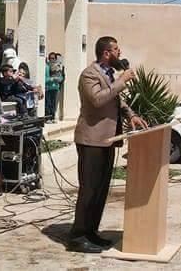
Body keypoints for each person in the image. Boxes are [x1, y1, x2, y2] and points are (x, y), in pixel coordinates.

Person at [68, 36, 148, 254]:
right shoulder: (89, 74)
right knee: (89, 189)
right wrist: (121, 81)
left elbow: (116, 100)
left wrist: (131, 114)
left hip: (108, 139)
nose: (119, 53)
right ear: (106, 53)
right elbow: (97, 99)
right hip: (91, 140)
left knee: (101, 190)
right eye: (116, 49)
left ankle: (91, 232)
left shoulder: (109, 74)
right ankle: (77, 237)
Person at [45, 52, 64, 121]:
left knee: (53, 104)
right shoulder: (46, 67)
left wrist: (58, 79)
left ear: (55, 59)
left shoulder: (57, 67)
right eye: (50, 58)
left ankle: (52, 117)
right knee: (48, 103)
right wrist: (52, 79)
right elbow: (44, 79)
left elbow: (61, 77)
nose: (52, 60)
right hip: (48, 88)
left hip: (55, 88)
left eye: (53, 58)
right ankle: (48, 118)